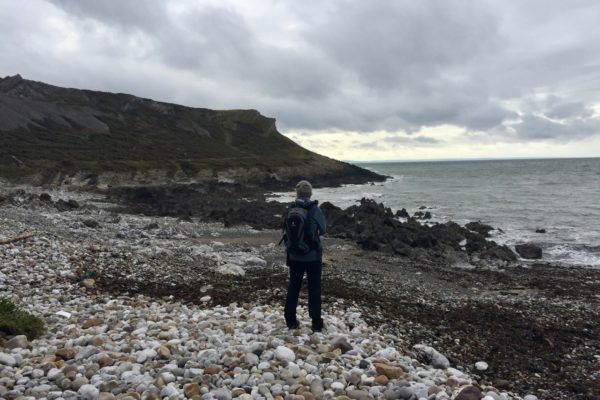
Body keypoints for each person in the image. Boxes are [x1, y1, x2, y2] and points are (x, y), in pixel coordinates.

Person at [283, 180, 327, 332]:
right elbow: (323, 230)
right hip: (312, 256)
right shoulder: (314, 209)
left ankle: (290, 321)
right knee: (314, 288)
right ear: (310, 193)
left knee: (294, 286)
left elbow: (285, 230)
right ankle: (316, 323)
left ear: (297, 193)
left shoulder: (291, 208)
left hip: (294, 255)